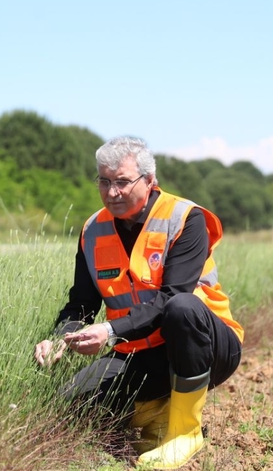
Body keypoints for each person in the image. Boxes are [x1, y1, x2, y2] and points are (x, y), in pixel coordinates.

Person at [33, 136, 243, 469]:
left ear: (149, 181)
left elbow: (174, 295)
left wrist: (110, 330)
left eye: (121, 182)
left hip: (206, 344)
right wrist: (62, 336)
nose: (111, 192)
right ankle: (157, 412)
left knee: (182, 308)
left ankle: (184, 432)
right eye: (104, 181)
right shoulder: (92, 230)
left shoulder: (185, 218)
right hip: (138, 351)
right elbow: (81, 304)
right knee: (69, 406)